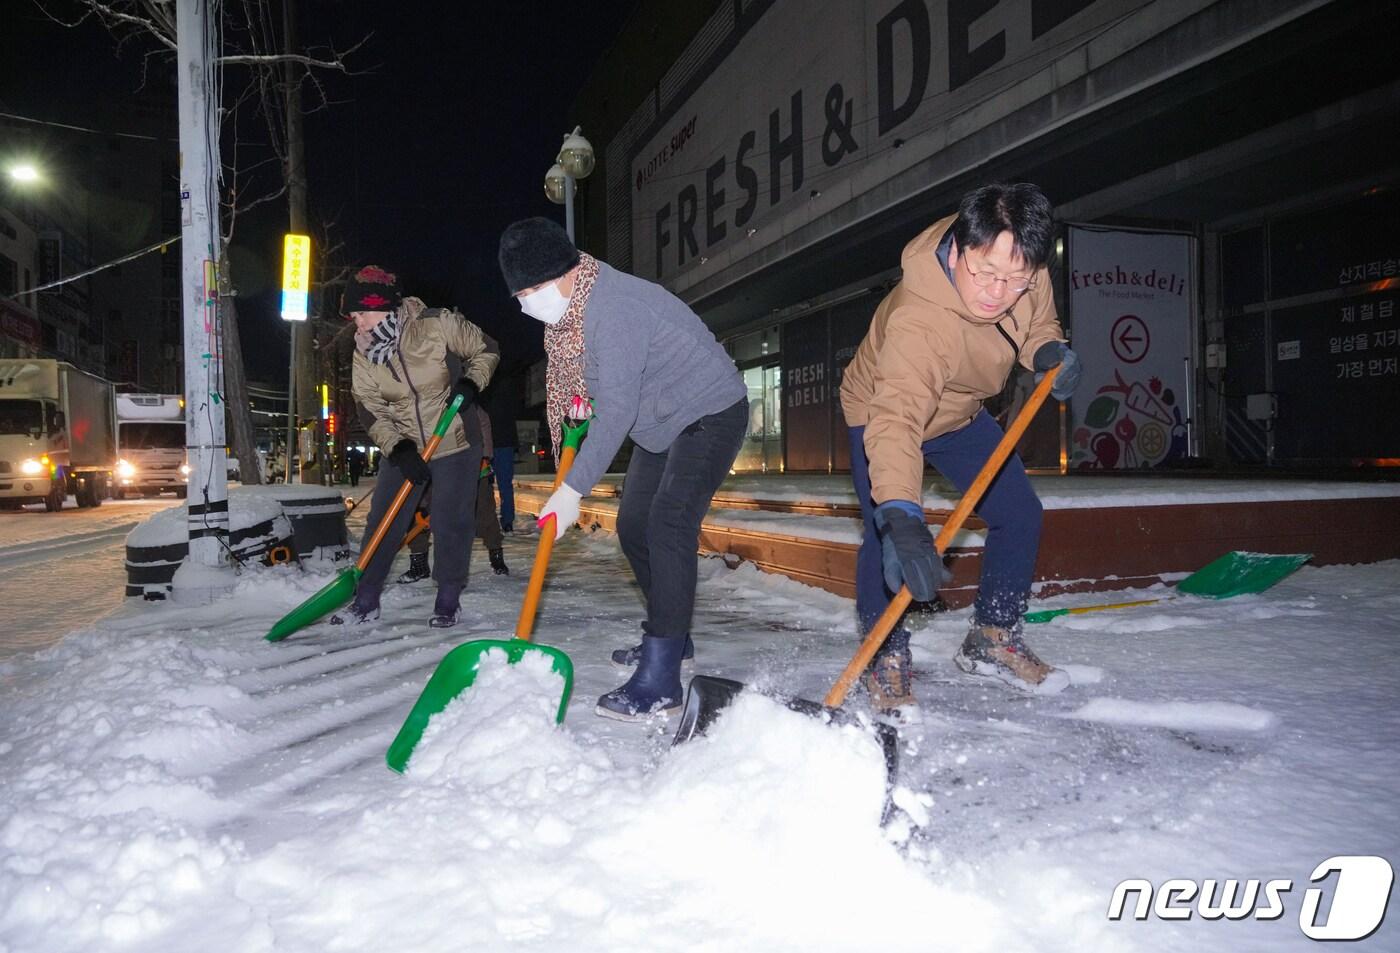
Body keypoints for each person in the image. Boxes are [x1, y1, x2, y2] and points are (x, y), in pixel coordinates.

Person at [838, 183, 1082, 715]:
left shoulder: (1021, 261)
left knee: (1019, 514)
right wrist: (900, 514)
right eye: (987, 274)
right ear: (960, 248)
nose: (1000, 291)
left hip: (960, 412)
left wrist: (1047, 351)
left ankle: (992, 636)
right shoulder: (919, 321)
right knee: (886, 537)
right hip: (882, 411)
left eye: (1016, 280)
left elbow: (1037, 319)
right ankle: (885, 652)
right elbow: (898, 419)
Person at [498, 217, 747, 722]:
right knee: (634, 527)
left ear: (566, 272)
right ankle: (671, 634)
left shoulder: (613, 308)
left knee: (668, 525)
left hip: (709, 411)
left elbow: (617, 409)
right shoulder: (570, 319)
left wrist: (571, 490)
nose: (527, 303)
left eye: (534, 288)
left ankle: (661, 677)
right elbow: (594, 388)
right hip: (662, 422)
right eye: (519, 294)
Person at [334, 265, 499, 627]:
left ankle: (448, 597)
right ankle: (366, 597)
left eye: (360, 313)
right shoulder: (364, 352)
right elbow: (368, 405)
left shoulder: (436, 324)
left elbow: (486, 349)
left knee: (450, 519)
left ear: (382, 307)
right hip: (406, 444)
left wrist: (472, 383)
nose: (356, 322)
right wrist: (398, 447)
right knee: (384, 519)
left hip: (454, 438)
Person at [396, 404, 509, 582]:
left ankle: (496, 556)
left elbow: (483, 427)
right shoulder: (418, 404)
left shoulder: (466, 404)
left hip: (472, 468)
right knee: (418, 512)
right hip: (430, 466)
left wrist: (482, 457)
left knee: (484, 512)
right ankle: (419, 562)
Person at [483, 369, 520, 533]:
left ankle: (490, 520)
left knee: (486, 484)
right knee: (504, 484)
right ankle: (507, 521)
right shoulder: (507, 384)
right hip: (503, 441)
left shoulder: (483, 386)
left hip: (491, 442)